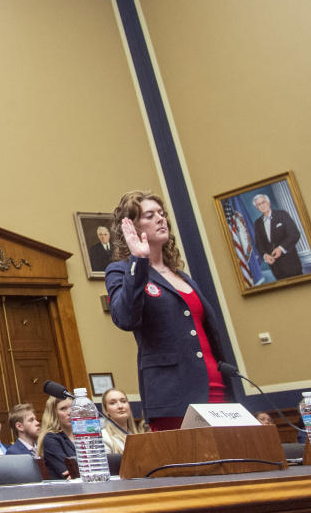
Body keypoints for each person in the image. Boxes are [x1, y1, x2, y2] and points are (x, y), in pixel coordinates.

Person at [106, 190, 234, 431]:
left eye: (162, 214)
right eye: (149, 215)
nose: (160, 219)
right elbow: (125, 318)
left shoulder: (182, 276)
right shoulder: (121, 270)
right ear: (132, 227)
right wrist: (138, 261)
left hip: (215, 385)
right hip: (173, 394)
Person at [252, 193, 304, 280]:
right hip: (275, 267)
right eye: (259, 204)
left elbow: (294, 234)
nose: (262, 206)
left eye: (263, 202)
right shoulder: (257, 223)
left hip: (291, 263)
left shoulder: (282, 214)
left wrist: (280, 248)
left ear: (268, 202)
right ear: (257, 207)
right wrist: (265, 255)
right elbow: (259, 244)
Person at [37, 396, 75, 480]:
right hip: (65, 490)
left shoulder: (83, 434)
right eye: (63, 409)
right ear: (53, 414)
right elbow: (69, 474)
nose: (70, 412)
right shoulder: (50, 439)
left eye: (73, 407)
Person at [100, 388, 139, 455]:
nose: (120, 406)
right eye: (113, 403)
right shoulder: (103, 437)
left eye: (123, 401)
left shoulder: (137, 435)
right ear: (106, 410)